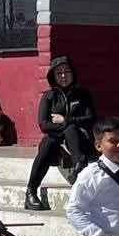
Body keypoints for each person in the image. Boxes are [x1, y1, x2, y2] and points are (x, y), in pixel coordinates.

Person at [25, 56, 96, 210]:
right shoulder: (49, 96)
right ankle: (31, 192)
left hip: (79, 142)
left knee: (72, 129)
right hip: (55, 142)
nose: (63, 76)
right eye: (59, 73)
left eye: (67, 71)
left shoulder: (83, 94)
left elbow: (90, 119)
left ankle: (78, 168)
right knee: (48, 143)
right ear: (53, 76)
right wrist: (65, 128)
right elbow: (44, 124)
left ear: (73, 73)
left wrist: (66, 120)